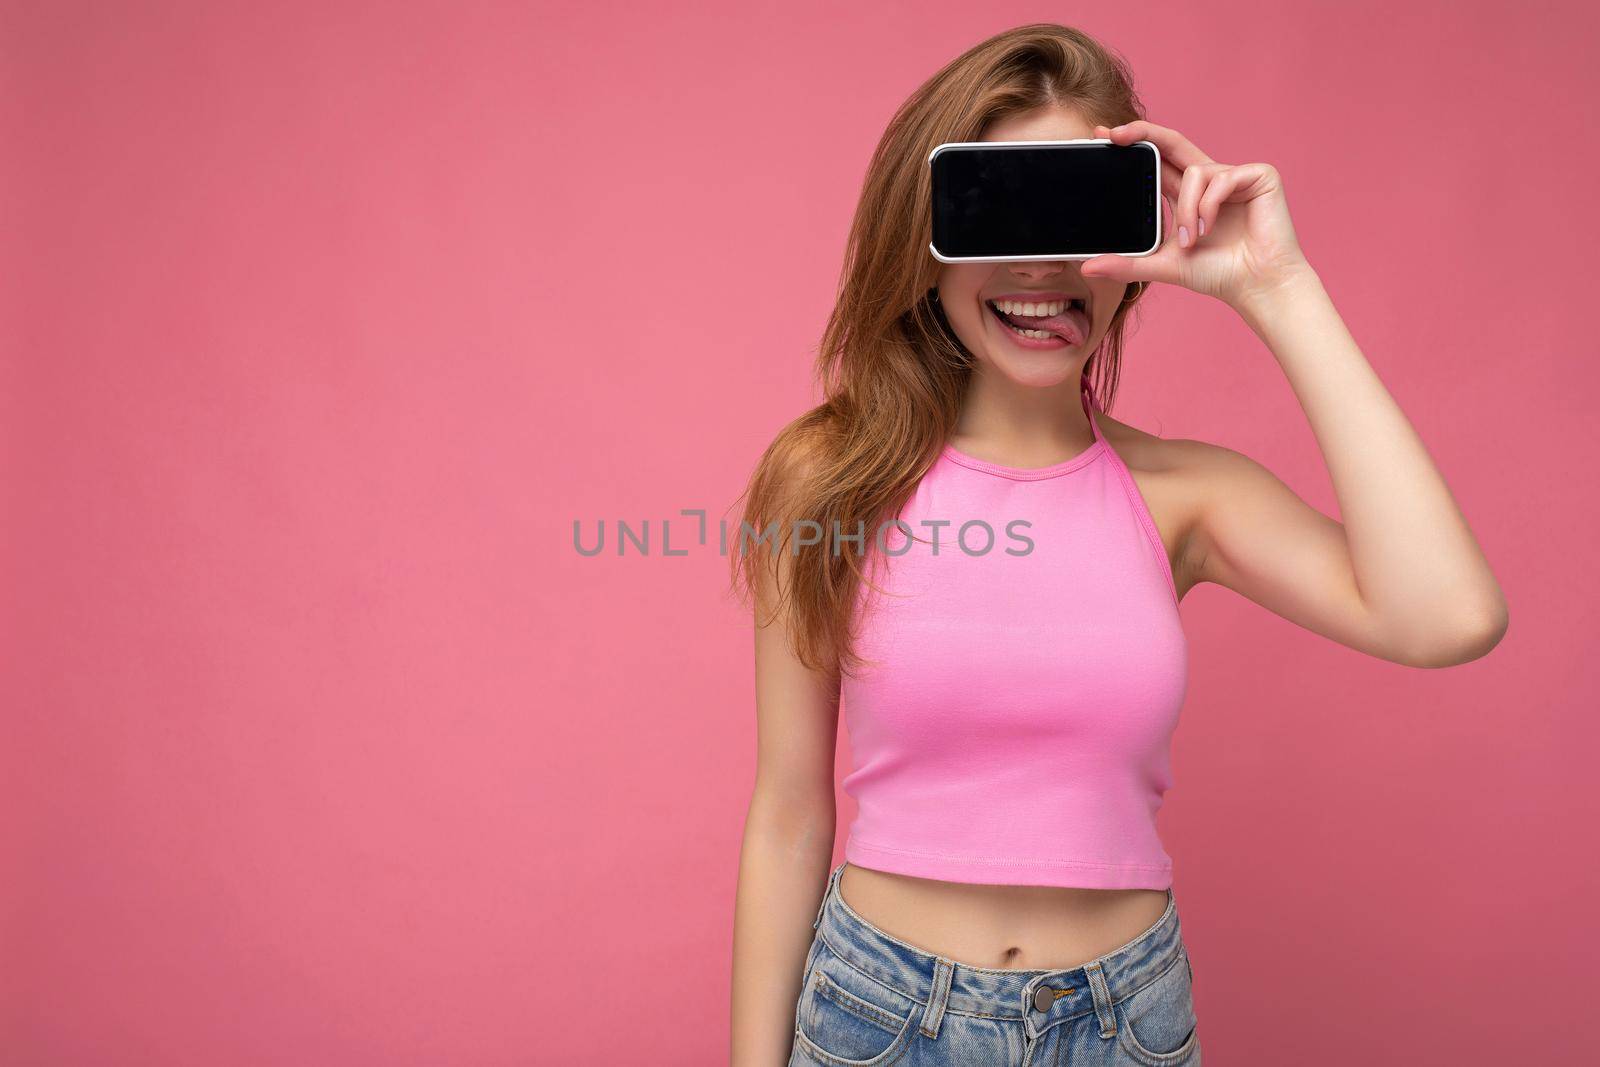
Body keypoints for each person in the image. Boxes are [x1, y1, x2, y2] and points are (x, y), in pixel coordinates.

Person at [728, 23, 1507, 1067]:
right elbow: (786, 811)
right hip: (878, 1012)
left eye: (1078, 213)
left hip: (1122, 1020)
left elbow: (1448, 616)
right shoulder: (825, 482)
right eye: (998, 213)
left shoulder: (1184, 496)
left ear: (1134, 244)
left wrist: (1275, 285)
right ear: (924, 234)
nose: (1041, 266)